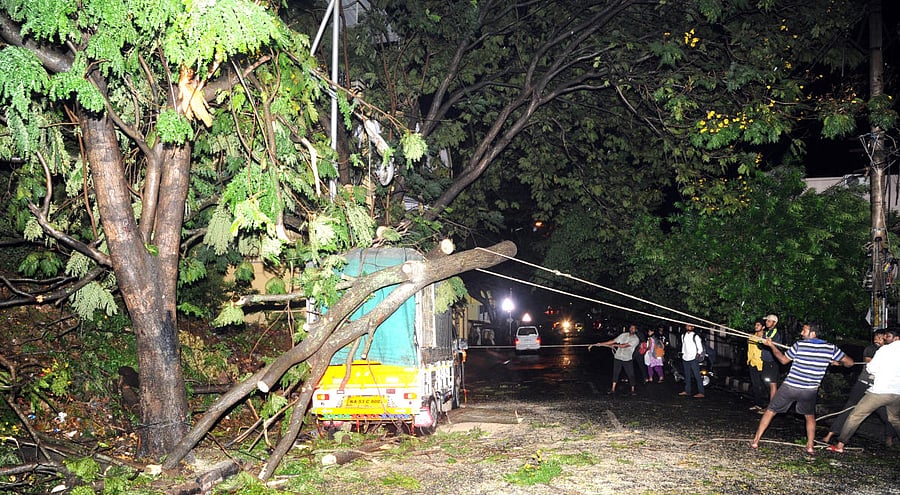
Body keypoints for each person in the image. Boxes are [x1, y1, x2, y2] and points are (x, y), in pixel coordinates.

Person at [750, 322, 854, 454]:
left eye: (804, 331)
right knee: (810, 417)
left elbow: (783, 360)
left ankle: (755, 441)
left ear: (813, 333)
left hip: (791, 386)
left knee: (770, 411)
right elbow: (850, 363)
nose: (801, 333)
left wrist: (771, 346)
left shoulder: (800, 345)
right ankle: (810, 446)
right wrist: (837, 362)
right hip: (809, 391)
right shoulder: (830, 348)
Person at [828, 327, 900, 453]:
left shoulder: (885, 350)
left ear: (896, 338)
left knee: (856, 415)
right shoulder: (876, 349)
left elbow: (871, 369)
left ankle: (840, 445)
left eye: (887, 336)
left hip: (880, 391)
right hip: (897, 393)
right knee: (895, 419)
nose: (884, 338)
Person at [593, 324, 640, 396]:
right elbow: (613, 341)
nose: (631, 329)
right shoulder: (623, 335)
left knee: (630, 374)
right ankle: (613, 389)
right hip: (618, 357)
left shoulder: (636, 339)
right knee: (615, 373)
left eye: (633, 328)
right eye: (631, 327)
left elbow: (624, 346)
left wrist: (615, 345)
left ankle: (633, 389)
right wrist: (601, 344)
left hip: (627, 358)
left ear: (636, 330)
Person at [678, 324, 706, 398]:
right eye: (687, 326)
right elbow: (683, 346)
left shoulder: (695, 336)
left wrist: (697, 356)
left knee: (697, 375)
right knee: (687, 375)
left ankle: (701, 392)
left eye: (690, 326)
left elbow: (700, 348)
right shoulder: (683, 335)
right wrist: (683, 354)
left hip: (693, 358)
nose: (688, 327)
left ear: (693, 327)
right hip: (685, 358)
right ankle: (687, 391)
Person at [760, 314, 783, 402]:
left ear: (774, 323)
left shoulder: (776, 334)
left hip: (772, 361)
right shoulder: (766, 333)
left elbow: (776, 347)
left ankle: (772, 406)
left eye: (769, 321)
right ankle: (771, 403)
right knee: (765, 380)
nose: (766, 322)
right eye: (766, 321)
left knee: (772, 383)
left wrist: (768, 343)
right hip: (766, 360)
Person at [747, 319, 768, 412]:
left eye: (758, 325)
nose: (756, 326)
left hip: (762, 364)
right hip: (753, 363)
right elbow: (750, 350)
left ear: (763, 327)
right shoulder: (752, 337)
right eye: (755, 324)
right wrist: (749, 360)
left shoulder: (767, 338)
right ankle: (758, 404)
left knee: (765, 385)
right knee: (755, 385)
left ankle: (768, 405)